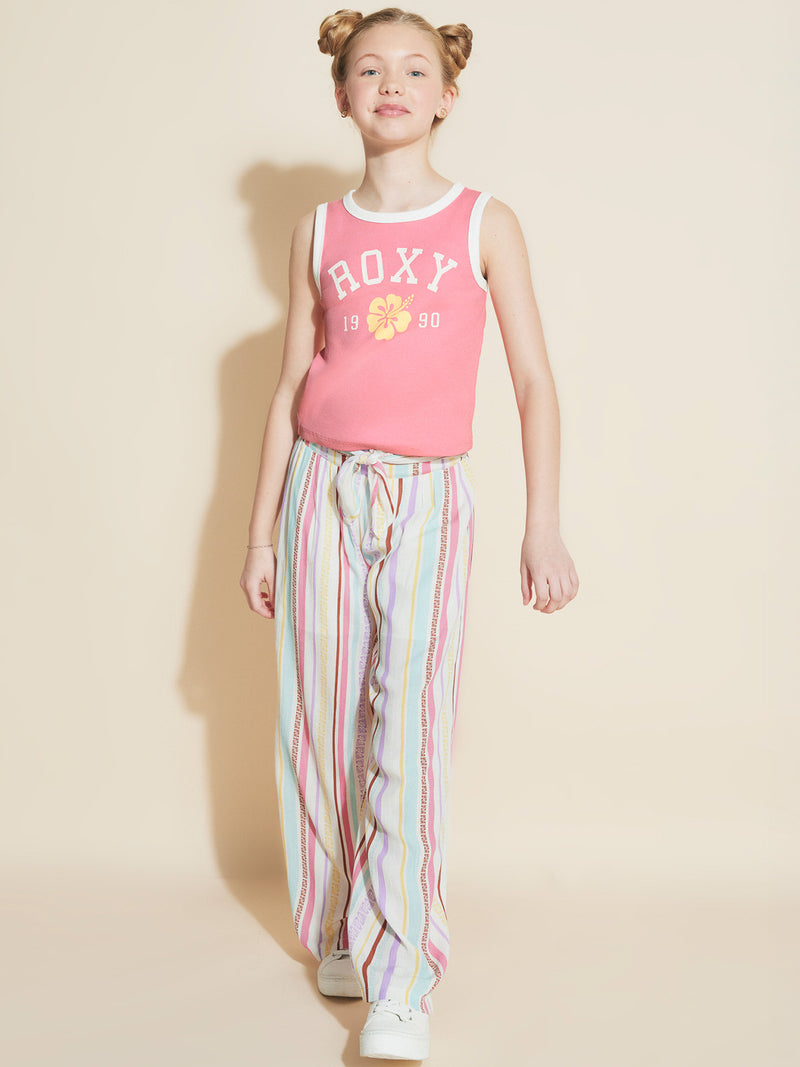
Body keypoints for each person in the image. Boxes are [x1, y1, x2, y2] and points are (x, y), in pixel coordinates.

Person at [240, 7, 579, 1059]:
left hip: (429, 497)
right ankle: (341, 921)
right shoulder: (321, 231)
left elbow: (530, 378)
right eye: (369, 69)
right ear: (341, 94)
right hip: (319, 490)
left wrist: (542, 524)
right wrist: (259, 535)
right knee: (323, 721)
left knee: (408, 731)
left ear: (445, 94)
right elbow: (290, 381)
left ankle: (403, 976)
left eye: (414, 68)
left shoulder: (484, 222)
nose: (391, 83)